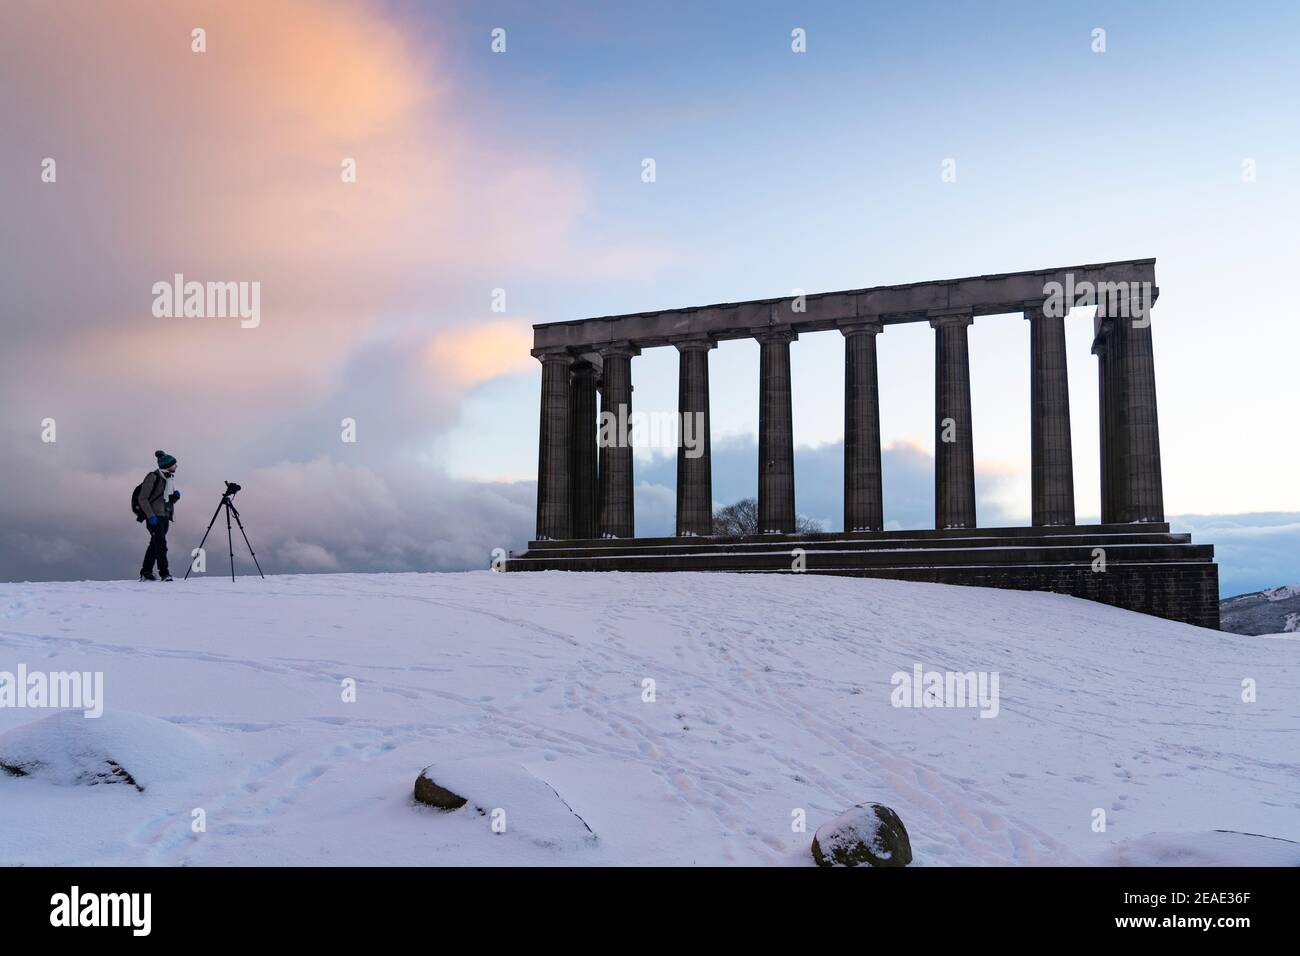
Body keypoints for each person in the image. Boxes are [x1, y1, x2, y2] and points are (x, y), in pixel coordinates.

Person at [138, 450, 181, 582]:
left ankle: (146, 572)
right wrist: (150, 516)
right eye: (174, 464)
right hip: (154, 517)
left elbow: (164, 500)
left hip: (164, 516)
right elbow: (143, 498)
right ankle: (164, 573)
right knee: (161, 544)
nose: (176, 466)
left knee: (155, 544)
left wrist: (175, 498)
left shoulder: (168, 479)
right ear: (167, 465)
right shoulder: (153, 477)